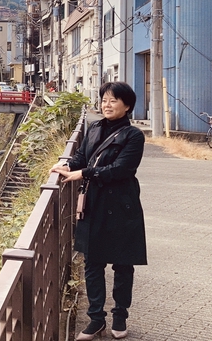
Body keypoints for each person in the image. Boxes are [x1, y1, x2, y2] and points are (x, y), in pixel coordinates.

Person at [52, 81, 146, 340]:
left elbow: (122, 170)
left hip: (122, 206)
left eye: (114, 100)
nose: (107, 104)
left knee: (123, 264)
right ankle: (95, 319)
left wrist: (83, 173)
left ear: (127, 106)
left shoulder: (133, 136)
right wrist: (67, 166)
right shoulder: (94, 128)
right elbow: (81, 156)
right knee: (92, 263)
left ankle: (120, 316)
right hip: (94, 202)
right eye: (104, 99)